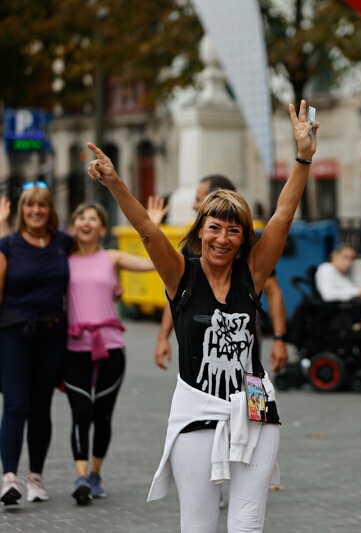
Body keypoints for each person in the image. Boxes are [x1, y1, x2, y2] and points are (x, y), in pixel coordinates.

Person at [86, 100, 316, 533]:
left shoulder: (253, 272)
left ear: (244, 237)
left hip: (253, 398)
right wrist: (115, 182)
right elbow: (148, 232)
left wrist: (303, 157)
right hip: (196, 403)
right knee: (200, 525)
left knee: (247, 522)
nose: (223, 238)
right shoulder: (182, 275)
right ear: (200, 230)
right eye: (214, 227)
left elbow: (283, 215)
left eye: (234, 230)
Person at [63, 202, 155, 504]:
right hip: (74, 347)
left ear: (103, 229)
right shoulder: (62, 259)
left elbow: (153, 262)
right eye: (81, 217)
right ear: (74, 225)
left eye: (93, 218)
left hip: (110, 346)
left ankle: (95, 474)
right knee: (81, 413)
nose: (86, 222)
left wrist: (150, 230)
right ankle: (80, 475)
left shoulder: (111, 257)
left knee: (102, 415)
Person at [151, 175, 289, 374]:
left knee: (250, 377)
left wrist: (279, 338)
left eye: (199, 199)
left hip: (242, 333)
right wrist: (163, 337)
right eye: (214, 228)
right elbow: (175, 294)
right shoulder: (191, 248)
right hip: (200, 381)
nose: (193, 205)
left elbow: (273, 291)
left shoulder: (251, 252)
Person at [0, 182, 73, 505]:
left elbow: (88, 265)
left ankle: (36, 478)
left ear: (50, 210)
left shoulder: (62, 243)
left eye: (42, 205)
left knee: (41, 408)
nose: (35, 210)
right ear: (21, 211)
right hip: (13, 333)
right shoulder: (9, 245)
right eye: (29, 205)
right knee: (15, 405)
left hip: (52, 333)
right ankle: (9, 478)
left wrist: (111, 288)